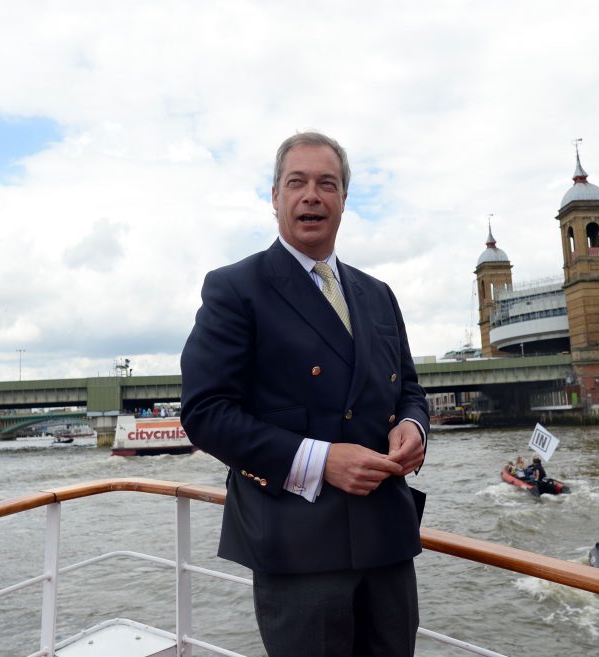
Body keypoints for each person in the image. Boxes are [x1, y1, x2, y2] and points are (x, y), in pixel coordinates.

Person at [181, 131, 428, 657]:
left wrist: (415, 427)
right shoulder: (235, 289)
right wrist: (321, 461)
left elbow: (407, 387)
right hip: (298, 549)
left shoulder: (378, 295)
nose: (311, 194)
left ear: (343, 200)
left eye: (327, 183)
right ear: (275, 197)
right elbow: (205, 414)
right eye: (297, 182)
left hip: (386, 541)